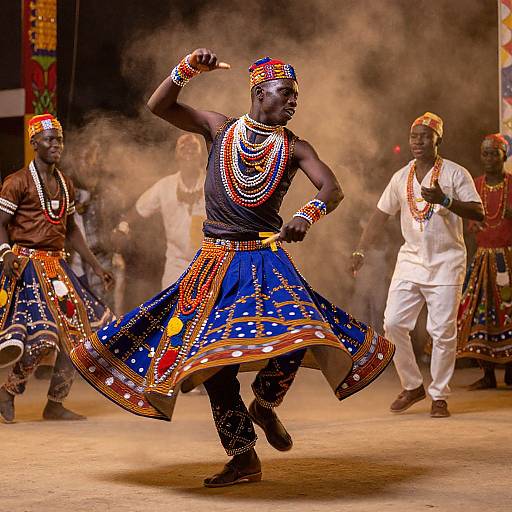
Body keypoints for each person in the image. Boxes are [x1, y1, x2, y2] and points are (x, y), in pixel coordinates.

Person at [71, 49, 394, 487]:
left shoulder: (296, 147)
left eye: (296, 95)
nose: (294, 101)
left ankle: (264, 402)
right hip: (214, 262)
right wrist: (186, 69)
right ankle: (243, 456)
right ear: (260, 92)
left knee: (302, 332)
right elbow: (160, 106)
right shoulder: (220, 128)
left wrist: (308, 214)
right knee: (215, 366)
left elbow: (332, 187)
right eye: (285, 93)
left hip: (265, 260)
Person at [351, 112, 484, 418]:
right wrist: (360, 250)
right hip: (410, 261)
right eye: (414, 136)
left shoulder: (454, 174)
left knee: (442, 332)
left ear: (438, 139)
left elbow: (479, 213)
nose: (419, 141)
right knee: (394, 323)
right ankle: (412, 386)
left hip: (447, 263)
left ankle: (439, 395)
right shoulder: (401, 177)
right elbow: (380, 216)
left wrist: (446, 201)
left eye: (426, 136)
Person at [0, 114, 114, 423]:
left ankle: (55, 403)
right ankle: (8, 391)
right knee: (45, 336)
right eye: (49, 140)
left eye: (59, 140)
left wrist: (96, 266)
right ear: (34, 143)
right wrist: (5, 252)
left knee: (79, 337)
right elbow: (1, 224)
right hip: (26, 266)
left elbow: (72, 231)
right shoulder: (17, 182)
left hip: (56, 266)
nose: (56, 146)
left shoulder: (66, 184)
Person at [113, 133, 205, 290]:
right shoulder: (165, 186)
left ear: (201, 155)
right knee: (170, 311)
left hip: (209, 264)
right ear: (177, 155)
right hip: (176, 265)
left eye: (193, 148)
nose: (189, 152)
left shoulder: (213, 184)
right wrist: (123, 226)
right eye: (184, 149)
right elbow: (137, 210)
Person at [457, 133, 512, 389]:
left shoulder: (511, 184)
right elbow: (470, 221)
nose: (489, 158)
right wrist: (473, 224)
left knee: (508, 314)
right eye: (485, 153)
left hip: (508, 260)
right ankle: (488, 375)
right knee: (480, 315)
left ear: (504, 155)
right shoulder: (475, 185)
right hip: (482, 260)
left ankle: (511, 372)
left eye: (494, 153)